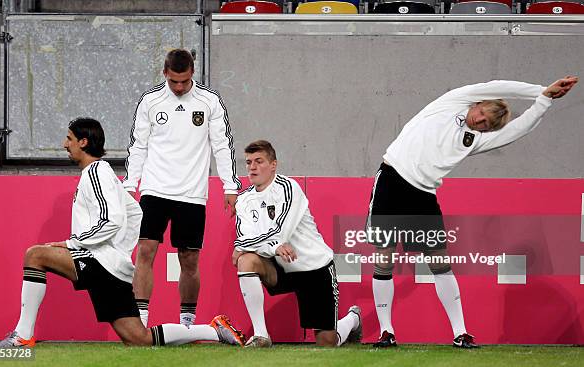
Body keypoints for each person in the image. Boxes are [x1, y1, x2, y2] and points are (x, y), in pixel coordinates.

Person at [0, 118, 245, 348]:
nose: (64, 144)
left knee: (35, 255)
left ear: (84, 142)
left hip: (99, 263)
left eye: (69, 138)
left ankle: (23, 335)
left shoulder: (95, 172)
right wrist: (119, 253)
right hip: (110, 266)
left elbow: (111, 219)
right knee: (138, 339)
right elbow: (134, 213)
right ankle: (213, 330)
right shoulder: (101, 173)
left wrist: (75, 243)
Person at [367, 76, 579, 349]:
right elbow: (499, 85)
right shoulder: (452, 101)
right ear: (478, 103)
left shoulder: (474, 140)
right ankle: (387, 331)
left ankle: (460, 333)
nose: (480, 121)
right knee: (384, 257)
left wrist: (544, 102)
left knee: (439, 263)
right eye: (482, 113)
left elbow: (518, 130)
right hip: (392, 180)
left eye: (487, 124)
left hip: (424, 194)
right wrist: (540, 90)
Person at [123, 49, 241, 328]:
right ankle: (141, 321)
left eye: (184, 82)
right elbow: (138, 146)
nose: (179, 87)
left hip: (191, 192)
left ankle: (186, 324)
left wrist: (230, 185)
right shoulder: (150, 102)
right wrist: (130, 184)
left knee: (189, 259)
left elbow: (222, 145)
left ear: (192, 74)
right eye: (174, 81)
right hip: (154, 189)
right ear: (165, 73)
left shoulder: (209, 101)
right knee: (145, 250)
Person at [232, 140, 362, 348]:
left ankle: (352, 319)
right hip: (281, 268)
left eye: (259, 161)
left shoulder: (288, 187)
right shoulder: (244, 200)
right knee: (246, 261)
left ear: (273, 164)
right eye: (248, 162)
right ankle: (261, 335)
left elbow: (281, 230)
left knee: (326, 343)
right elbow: (243, 238)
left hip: (314, 268)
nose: (252, 167)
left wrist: (245, 246)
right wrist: (268, 247)